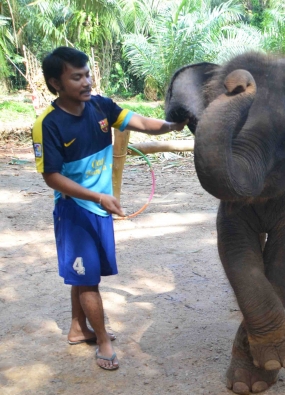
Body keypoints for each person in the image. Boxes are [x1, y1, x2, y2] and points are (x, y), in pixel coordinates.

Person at [32, 47, 188, 370]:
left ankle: (78, 329)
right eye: (76, 77)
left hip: (99, 208)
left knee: (83, 274)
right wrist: (97, 197)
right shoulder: (47, 124)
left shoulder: (100, 106)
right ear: (55, 84)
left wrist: (170, 126)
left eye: (87, 74)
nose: (86, 82)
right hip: (75, 211)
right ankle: (102, 340)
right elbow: (52, 177)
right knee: (89, 280)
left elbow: (138, 121)